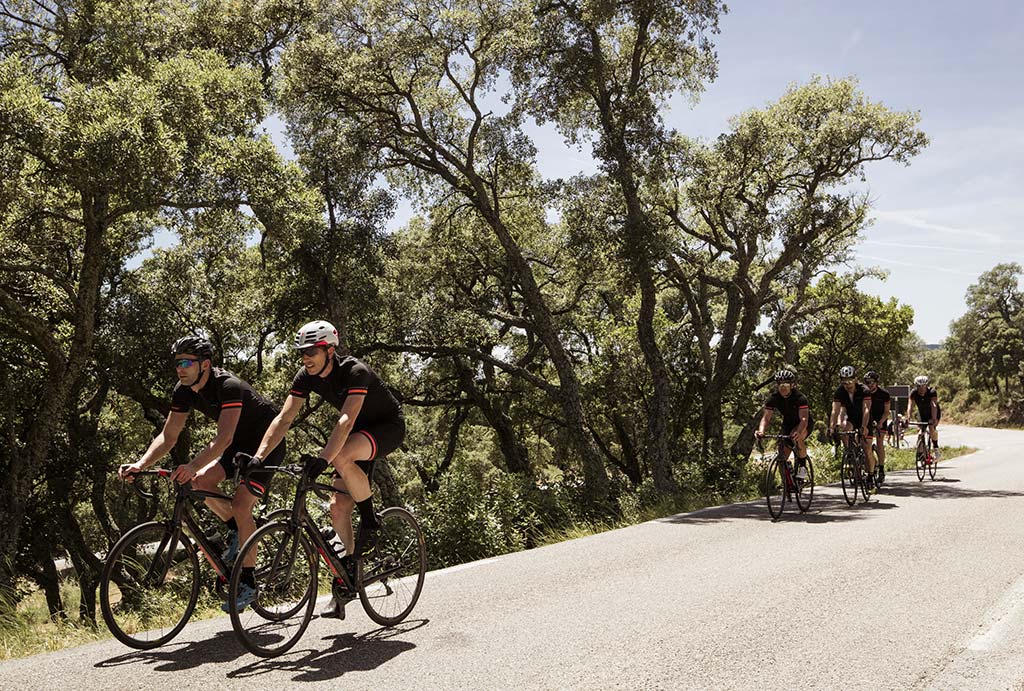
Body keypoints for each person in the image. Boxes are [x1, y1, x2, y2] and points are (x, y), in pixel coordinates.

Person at [251, 320, 405, 618]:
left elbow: (345, 421)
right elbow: (284, 419)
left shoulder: (355, 371)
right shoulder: (305, 376)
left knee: (341, 456)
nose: (306, 357)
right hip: (356, 432)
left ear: (329, 350)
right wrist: (258, 457)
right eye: (302, 352)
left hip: (386, 427)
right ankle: (347, 577)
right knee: (337, 507)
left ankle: (371, 520)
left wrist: (323, 459)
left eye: (312, 351)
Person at [118, 336, 283, 611]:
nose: (180, 369)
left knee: (242, 505)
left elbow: (223, 439)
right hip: (237, 445)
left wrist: (192, 464)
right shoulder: (183, 390)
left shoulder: (227, 386)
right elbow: (169, 435)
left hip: (265, 446)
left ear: (205, 365)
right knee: (199, 483)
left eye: (186, 362)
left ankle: (248, 582)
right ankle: (235, 530)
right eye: (177, 363)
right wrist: (141, 464)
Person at [755, 368, 813, 484]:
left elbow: (804, 419)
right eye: (780, 384)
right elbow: (766, 418)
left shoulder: (800, 398)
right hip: (787, 423)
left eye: (786, 383)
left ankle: (803, 467)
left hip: (803, 423)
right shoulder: (774, 398)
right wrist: (761, 431)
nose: (783, 386)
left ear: (792, 385)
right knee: (782, 454)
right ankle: (788, 482)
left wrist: (799, 431)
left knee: (796, 437)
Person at [828, 365, 875, 488]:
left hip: (865, 418)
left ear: (855, 379)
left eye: (850, 381)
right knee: (843, 430)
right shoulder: (839, 392)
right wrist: (832, 428)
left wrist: (864, 427)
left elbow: (866, 410)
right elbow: (835, 411)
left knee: (867, 448)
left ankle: (870, 476)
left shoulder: (864, 390)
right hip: (852, 419)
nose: (847, 384)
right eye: (844, 382)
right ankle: (850, 453)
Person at [863, 371, 891, 485]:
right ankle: (872, 464)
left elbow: (886, 411)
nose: (870, 384)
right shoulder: (864, 393)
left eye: (872, 382)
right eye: (867, 382)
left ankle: (882, 468)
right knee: (865, 445)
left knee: (880, 443)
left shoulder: (884, 394)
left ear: (876, 382)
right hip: (868, 418)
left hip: (881, 418)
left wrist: (880, 422)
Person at [907, 375, 941, 455]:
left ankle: (936, 448)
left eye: (924, 386)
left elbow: (934, 406)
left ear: (927, 385)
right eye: (919, 386)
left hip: (933, 412)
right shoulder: (913, 393)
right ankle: (921, 454)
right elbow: (910, 405)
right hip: (922, 414)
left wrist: (934, 419)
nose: (922, 389)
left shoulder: (932, 392)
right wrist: (908, 417)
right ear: (916, 386)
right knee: (920, 433)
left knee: (932, 429)